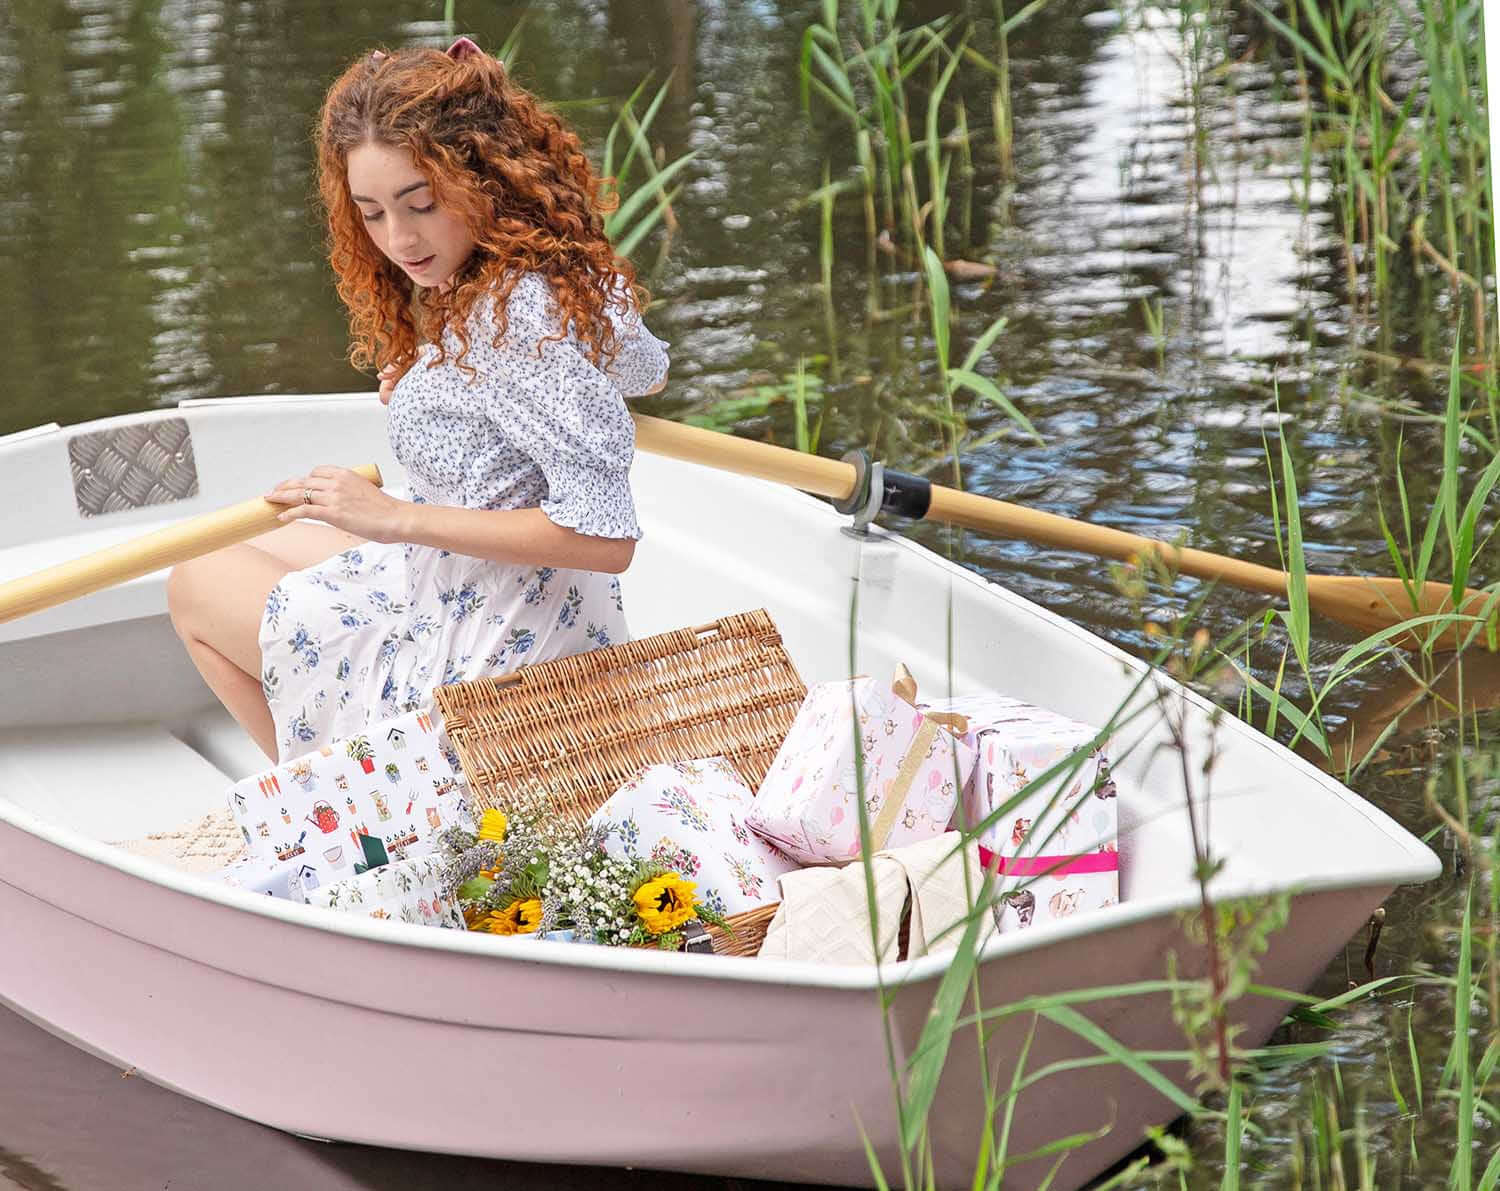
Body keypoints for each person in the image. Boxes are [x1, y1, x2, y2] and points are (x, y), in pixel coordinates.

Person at [166, 36, 668, 764]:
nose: (397, 238)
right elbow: (643, 366)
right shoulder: (543, 272)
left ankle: (345, 800)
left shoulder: (509, 316)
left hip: (491, 657)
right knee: (243, 542)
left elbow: (605, 539)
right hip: (514, 604)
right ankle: (345, 788)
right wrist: (443, 376)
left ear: (483, 180)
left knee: (195, 584)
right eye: (371, 213)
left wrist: (394, 517)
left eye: (420, 203)